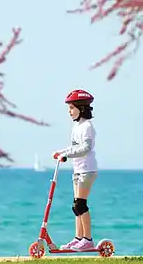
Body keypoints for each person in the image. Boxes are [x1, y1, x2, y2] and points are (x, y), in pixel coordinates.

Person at [52, 89, 99, 251]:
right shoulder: (76, 126)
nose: (70, 112)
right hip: (78, 169)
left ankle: (88, 240)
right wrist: (61, 153)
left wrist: (67, 154)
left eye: (72, 108)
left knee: (80, 204)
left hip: (87, 169)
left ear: (81, 108)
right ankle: (78, 238)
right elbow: (74, 148)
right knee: (75, 206)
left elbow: (85, 148)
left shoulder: (87, 126)